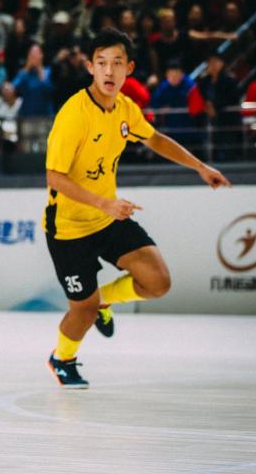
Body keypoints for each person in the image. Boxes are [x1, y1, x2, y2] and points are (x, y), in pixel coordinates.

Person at [43, 28, 230, 388]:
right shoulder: (74, 114)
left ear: (129, 68)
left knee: (157, 282)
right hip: (69, 228)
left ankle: (103, 301)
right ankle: (62, 359)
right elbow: (54, 177)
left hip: (107, 217)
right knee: (82, 311)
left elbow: (155, 138)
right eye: (101, 63)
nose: (109, 71)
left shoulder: (126, 108)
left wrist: (200, 167)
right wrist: (104, 202)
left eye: (117, 63)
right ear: (90, 68)